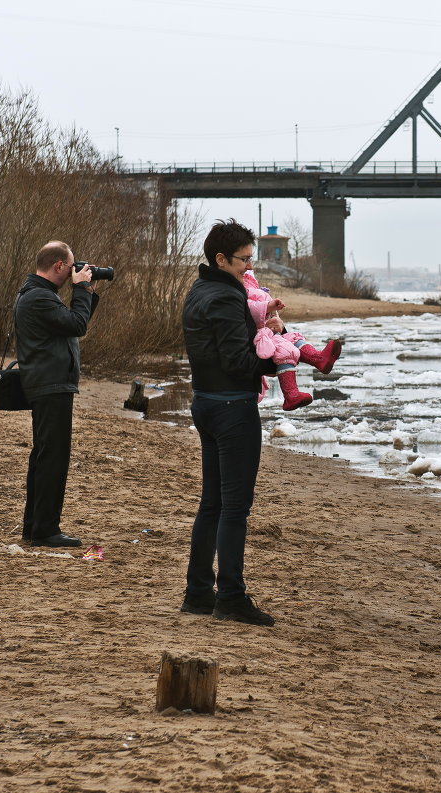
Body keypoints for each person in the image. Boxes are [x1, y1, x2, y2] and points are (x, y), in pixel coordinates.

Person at [180, 219, 279, 627]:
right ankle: (231, 597)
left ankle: (199, 593)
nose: (248, 268)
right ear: (220, 259)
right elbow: (238, 361)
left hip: (205, 402)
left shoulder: (199, 290)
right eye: (243, 260)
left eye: (251, 259)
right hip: (230, 407)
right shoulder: (223, 297)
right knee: (234, 508)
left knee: (213, 504)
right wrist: (278, 354)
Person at [16, 241, 99, 548]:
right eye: (72, 266)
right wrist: (81, 291)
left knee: (43, 456)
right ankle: (45, 530)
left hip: (47, 383)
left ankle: (33, 526)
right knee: (52, 458)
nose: (74, 272)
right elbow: (77, 324)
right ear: (59, 267)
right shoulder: (39, 297)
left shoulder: (37, 294)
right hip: (50, 385)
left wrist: (86, 291)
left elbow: (74, 324)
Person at [242, 268, 341, 410]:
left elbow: (261, 314)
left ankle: (318, 358)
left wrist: (279, 325)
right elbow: (251, 308)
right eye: (245, 260)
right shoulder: (243, 291)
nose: (249, 266)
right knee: (285, 350)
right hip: (261, 338)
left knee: (293, 338)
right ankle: (290, 395)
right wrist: (268, 306)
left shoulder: (254, 290)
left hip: (268, 333)